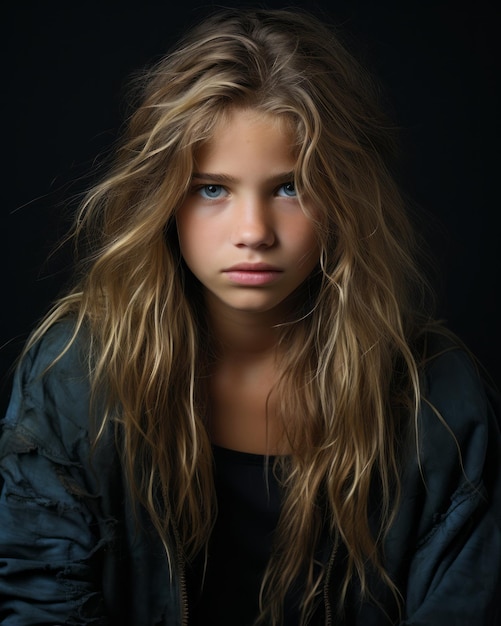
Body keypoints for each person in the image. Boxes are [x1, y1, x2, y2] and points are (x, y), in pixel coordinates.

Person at [1, 7, 500, 625]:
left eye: (291, 187)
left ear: (346, 198)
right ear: (163, 200)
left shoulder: (438, 399)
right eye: (212, 188)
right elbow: (40, 600)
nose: (254, 233)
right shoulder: (75, 378)